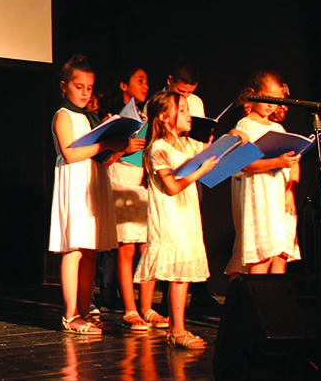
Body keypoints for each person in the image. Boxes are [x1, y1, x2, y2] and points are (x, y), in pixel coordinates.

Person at [137, 90, 217, 350]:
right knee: (178, 275)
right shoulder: (158, 148)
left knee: (183, 275)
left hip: (186, 216)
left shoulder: (186, 144)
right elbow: (171, 186)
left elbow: (210, 154)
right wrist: (200, 171)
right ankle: (177, 330)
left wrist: (232, 138)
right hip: (170, 218)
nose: (188, 115)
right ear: (164, 116)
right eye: (181, 110)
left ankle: (177, 328)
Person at [48, 56, 122, 336]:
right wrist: (105, 143)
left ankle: (84, 310)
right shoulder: (63, 115)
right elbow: (70, 153)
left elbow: (99, 159)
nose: (84, 93)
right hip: (75, 182)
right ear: (64, 86)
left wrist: (117, 149)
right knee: (75, 248)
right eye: (78, 87)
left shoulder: (89, 118)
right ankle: (71, 314)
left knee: (90, 250)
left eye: (89, 88)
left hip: (92, 181)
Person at [225, 71, 301, 275]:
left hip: (280, 195)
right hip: (260, 194)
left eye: (276, 100)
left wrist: (291, 191)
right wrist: (278, 162)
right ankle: (257, 295)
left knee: (280, 254)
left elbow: (294, 163)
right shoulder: (245, 126)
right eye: (267, 98)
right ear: (254, 93)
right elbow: (244, 164)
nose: (271, 104)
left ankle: (276, 296)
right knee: (262, 254)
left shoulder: (279, 128)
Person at [108, 65, 163, 332]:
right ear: (124, 85)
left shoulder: (146, 116)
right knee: (127, 246)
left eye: (147, 81)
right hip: (122, 176)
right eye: (140, 81)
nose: (145, 86)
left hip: (144, 178)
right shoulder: (114, 118)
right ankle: (130, 308)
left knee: (147, 246)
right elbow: (105, 157)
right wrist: (123, 148)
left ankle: (147, 307)